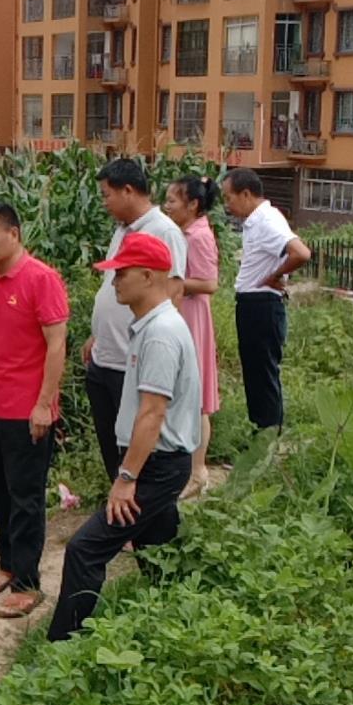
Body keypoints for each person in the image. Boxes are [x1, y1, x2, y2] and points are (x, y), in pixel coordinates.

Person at [50, 233, 202, 642]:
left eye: (121, 274)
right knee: (159, 551)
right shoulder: (153, 326)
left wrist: (126, 479)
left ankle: (62, 649)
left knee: (85, 549)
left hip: (156, 465)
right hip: (158, 462)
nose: (114, 282)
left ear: (148, 276)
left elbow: (153, 413)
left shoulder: (160, 334)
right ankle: (178, 625)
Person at [0, 200, 69, 621]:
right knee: (1, 492)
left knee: (27, 497)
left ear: (14, 233)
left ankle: (28, 584)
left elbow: (56, 345)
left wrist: (45, 404)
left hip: (29, 409)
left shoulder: (41, 279)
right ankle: (8, 565)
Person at [84, 158, 188, 482]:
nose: (103, 203)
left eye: (106, 195)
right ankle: (117, 510)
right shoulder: (123, 231)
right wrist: (95, 333)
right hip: (105, 355)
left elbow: (173, 291)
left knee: (132, 443)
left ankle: (133, 513)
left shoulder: (163, 231)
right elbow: (110, 286)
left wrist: (145, 348)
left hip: (132, 359)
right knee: (109, 442)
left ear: (127, 190)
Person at [223, 168, 312, 430]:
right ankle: (262, 434)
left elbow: (301, 252)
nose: (228, 205)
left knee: (263, 374)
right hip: (253, 305)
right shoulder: (258, 220)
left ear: (246, 194)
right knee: (255, 373)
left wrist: (275, 275)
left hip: (262, 305)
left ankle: (269, 437)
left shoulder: (266, 221)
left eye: (229, 198)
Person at [163, 174, 225, 496]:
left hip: (193, 317)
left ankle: (198, 471)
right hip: (182, 313)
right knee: (183, 396)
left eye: (173, 201)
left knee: (196, 398)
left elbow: (210, 283)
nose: (167, 206)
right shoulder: (185, 232)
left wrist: (172, 282)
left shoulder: (198, 236)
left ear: (193, 204)